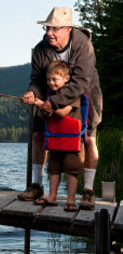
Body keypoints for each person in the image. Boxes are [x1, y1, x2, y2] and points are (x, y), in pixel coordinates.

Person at [17, 7, 102, 210]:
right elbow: (37, 80)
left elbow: (81, 81)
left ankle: (88, 191)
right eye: (47, 28)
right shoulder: (40, 49)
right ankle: (37, 185)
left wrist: (53, 104)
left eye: (54, 29)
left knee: (89, 140)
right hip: (49, 97)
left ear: (67, 29)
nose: (49, 33)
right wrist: (32, 93)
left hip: (86, 95)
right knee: (38, 135)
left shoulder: (83, 45)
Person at [31, 60, 86, 212]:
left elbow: (62, 113)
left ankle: (71, 199)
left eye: (54, 79)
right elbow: (44, 117)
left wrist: (41, 104)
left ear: (66, 78)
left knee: (71, 170)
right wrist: (41, 108)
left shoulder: (71, 94)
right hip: (55, 139)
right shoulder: (50, 95)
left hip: (71, 141)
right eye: (49, 79)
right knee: (53, 169)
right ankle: (52, 196)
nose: (51, 82)